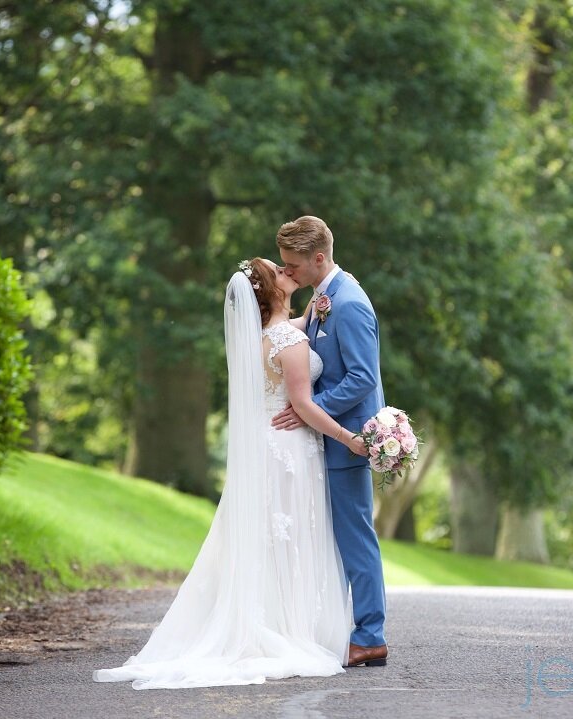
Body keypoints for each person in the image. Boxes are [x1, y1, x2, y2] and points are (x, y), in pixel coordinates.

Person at [92, 257, 367, 689]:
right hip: (289, 448)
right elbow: (305, 406)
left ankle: (272, 619)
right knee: (290, 536)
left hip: (265, 446)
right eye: (278, 271)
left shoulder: (262, 338)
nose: (287, 271)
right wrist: (350, 438)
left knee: (270, 537)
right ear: (270, 291)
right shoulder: (286, 341)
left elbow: (298, 328)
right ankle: (289, 628)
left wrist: (318, 304)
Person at [273, 216, 389, 667]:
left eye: (294, 265)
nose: (290, 273)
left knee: (356, 538)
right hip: (330, 437)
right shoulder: (326, 297)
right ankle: (341, 629)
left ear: (318, 258)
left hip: (349, 442)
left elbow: (362, 378)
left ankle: (370, 636)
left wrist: (310, 409)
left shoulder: (351, 304)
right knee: (335, 539)